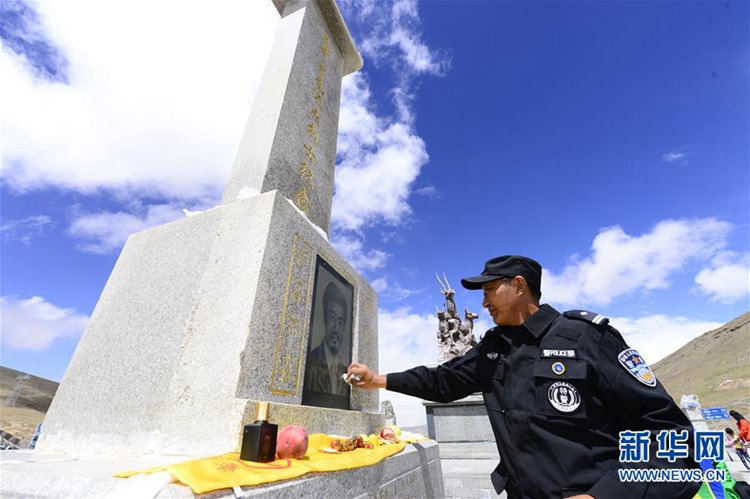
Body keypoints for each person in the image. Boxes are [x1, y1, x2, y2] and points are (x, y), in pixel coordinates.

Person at [348, 255, 701, 499]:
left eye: (488, 290)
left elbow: (672, 437)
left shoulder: (586, 338)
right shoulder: (492, 347)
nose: (484, 303)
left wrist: (605, 494)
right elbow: (444, 381)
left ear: (518, 286)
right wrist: (379, 380)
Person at [305, 282, 349, 396]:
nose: (336, 328)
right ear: (325, 319)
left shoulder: (345, 369)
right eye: (332, 317)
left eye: (340, 321)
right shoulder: (311, 364)